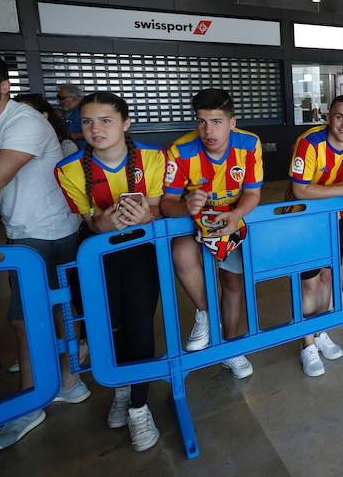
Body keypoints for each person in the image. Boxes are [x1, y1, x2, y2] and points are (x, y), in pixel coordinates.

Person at [53, 91, 165, 452]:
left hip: (141, 253)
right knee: (110, 325)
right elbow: (89, 220)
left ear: (125, 123)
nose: (95, 129)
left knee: (139, 324)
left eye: (105, 120)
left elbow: (157, 208)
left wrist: (146, 216)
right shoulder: (68, 170)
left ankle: (139, 405)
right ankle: (121, 387)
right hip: (97, 256)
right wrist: (103, 223)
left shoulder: (152, 158)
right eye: (87, 121)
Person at [0, 54, 87, 452]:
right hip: (28, 230)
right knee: (43, 314)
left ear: (3, 86)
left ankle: (33, 399)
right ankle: (66, 381)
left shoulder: (24, 122)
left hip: (45, 233)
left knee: (26, 319)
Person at [160, 89, 262, 380]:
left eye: (216, 121)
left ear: (232, 122)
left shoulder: (249, 144)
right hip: (192, 225)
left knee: (232, 283)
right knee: (181, 252)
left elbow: (253, 193)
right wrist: (185, 206)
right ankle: (204, 313)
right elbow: (167, 203)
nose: (208, 130)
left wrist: (236, 215)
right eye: (201, 121)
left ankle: (229, 348)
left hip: (232, 222)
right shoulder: (180, 151)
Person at [288, 94, 343, 377]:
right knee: (309, 284)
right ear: (328, 116)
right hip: (303, 221)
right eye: (339, 116)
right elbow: (301, 191)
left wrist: (342, 189)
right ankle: (307, 343)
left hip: (333, 220)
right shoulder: (309, 143)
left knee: (328, 276)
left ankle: (320, 332)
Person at [14, 93, 78, 157]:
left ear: (44, 116)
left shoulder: (65, 145)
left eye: (26, 114)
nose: (17, 119)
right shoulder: (14, 141)